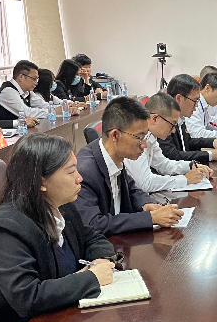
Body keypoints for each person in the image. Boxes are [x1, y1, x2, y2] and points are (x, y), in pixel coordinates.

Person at [0, 134, 117, 322]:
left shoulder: (61, 206)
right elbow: (28, 297)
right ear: (41, 182)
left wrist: (99, 260)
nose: (79, 178)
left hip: (58, 318)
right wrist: (91, 278)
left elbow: (92, 237)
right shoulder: (6, 229)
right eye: (71, 172)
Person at [75, 97, 182, 235]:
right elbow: (94, 224)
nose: (144, 145)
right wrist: (150, 218)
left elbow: (132, 188)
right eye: (139, 138)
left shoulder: (115, 157)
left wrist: (146, 204)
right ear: (115, 135)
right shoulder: (84, 172)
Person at [123, 92, 212, 193]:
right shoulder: (135, 139)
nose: (173, 131)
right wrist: (185, 180)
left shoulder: (151, 136)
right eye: (172, 124)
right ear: (155, 119)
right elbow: (145, 183)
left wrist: (190, 166)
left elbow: (163, 165)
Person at [163, 75, 217, 164]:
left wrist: (213, 142)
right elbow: (172, 155)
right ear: (179, 98)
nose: (196, 105)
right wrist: (210, 155)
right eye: (194, 101)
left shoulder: (181, 118)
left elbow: (188, 142)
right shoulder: (163, 121)